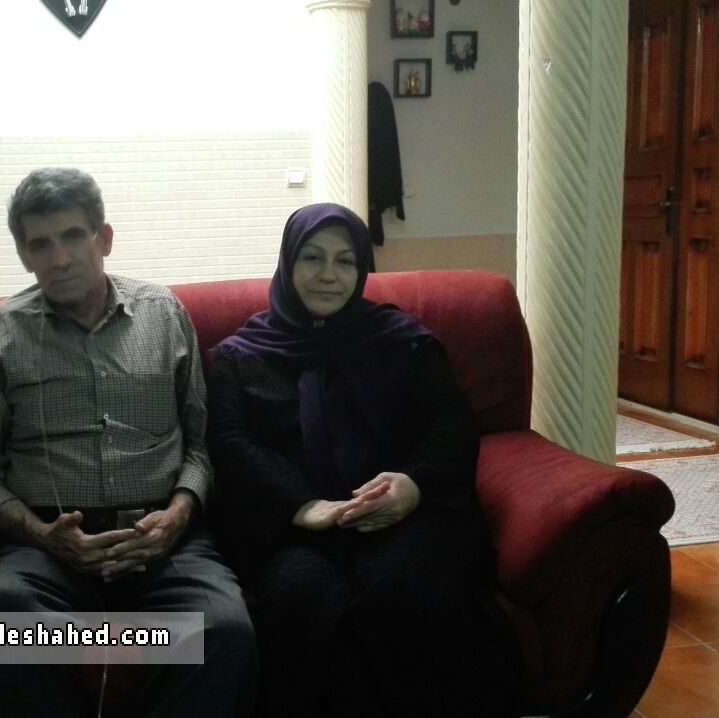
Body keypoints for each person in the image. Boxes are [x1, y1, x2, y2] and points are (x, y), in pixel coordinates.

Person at [0, 167, 255, 717]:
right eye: (40, 244)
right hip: (45, 547)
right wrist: (41, 534)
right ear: (23, 255)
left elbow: (202, 444)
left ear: (104, 238)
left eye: (73, 236)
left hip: (161, 540)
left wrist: (177, 517)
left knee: (224, 628)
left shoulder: (164, 315)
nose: (59, 258)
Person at [206, 203, 517, 717]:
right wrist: (303, 506)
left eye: (345, 261)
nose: (329, 275)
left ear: (362, 269)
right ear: (287, 262)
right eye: (312, 258)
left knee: (398, 589)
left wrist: (412, 485)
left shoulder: (400, 340)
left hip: (404, 515)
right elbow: (230, 443)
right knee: (302, 597)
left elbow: (452, 422)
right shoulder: (239, 356)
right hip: (294, 525)